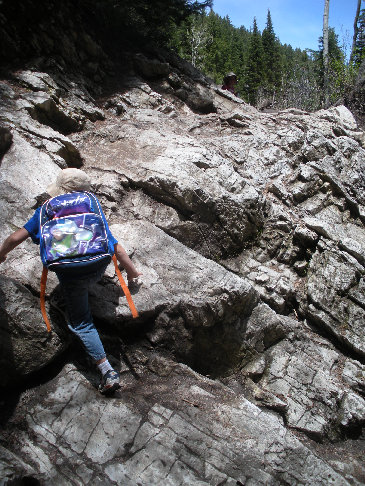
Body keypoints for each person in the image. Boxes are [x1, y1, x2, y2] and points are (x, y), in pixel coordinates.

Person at [0, 168, 142, 395]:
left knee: (82, 323)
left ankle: (107, 371)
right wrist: (133, 273)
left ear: (59, 189)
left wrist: (1, 255)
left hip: (70, 274)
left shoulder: (46, 210)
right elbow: (115, 246)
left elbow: (16, 237)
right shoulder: (92, 205)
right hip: (97, 267)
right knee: (89, 283)